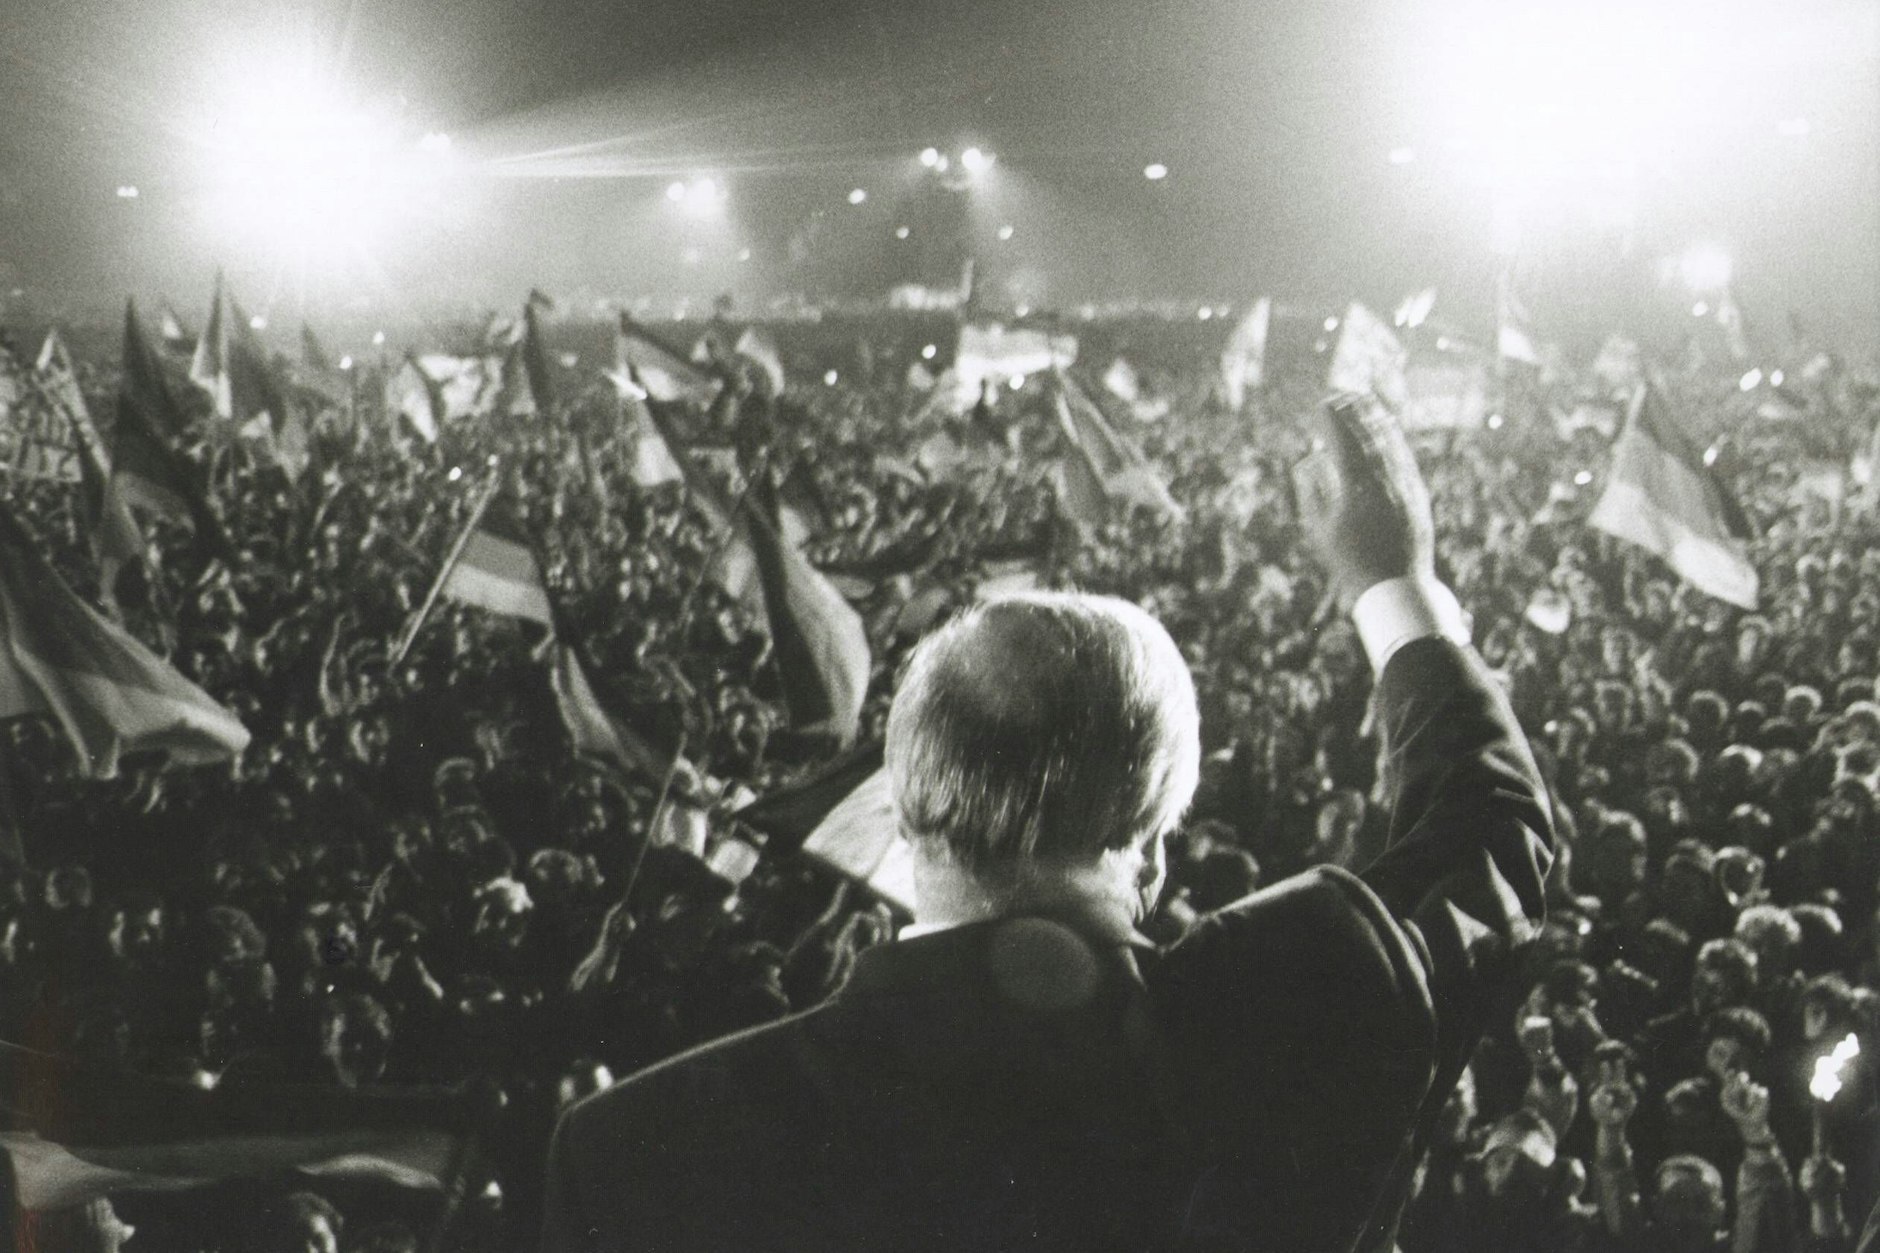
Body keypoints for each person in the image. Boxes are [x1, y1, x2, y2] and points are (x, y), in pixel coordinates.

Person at [539, 394, 1555, 1252]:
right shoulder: (1289, 1026)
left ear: (901, 814)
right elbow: (1490, 830)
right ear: (1154, 840)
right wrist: (1389, 579)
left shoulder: (634, 1149)